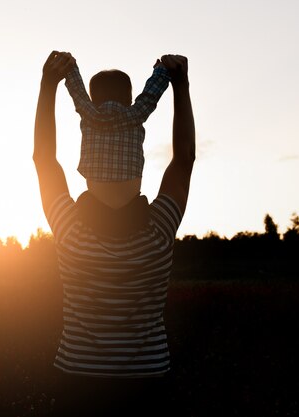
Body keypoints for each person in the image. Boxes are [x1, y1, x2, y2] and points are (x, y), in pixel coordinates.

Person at [33, 51, 195, 416]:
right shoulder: (159, 230)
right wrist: (180, 86)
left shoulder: (69, 229)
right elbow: (184, 159)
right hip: (147, 384)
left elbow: (44, 158)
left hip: (78, 382)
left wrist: (48, 87)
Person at [63, 57, 171, 208]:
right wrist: (161, 70)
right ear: (129, 97)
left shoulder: (89, 114)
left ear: (93, 99)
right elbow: (150, 95)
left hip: (95, 202)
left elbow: (77, 91)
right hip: (130, 203)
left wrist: (70, 67)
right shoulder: (136, 114)